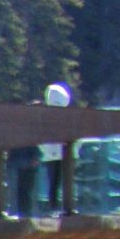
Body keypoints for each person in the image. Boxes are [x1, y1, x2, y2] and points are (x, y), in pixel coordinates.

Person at [38, 81, 75, 212]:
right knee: (63, 182)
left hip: (53, 156)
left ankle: (56, 208)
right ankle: (65, 208)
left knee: (54, 183)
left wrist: (46, 151)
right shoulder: (68, 117)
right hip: (62, 154)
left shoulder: (44, 117)